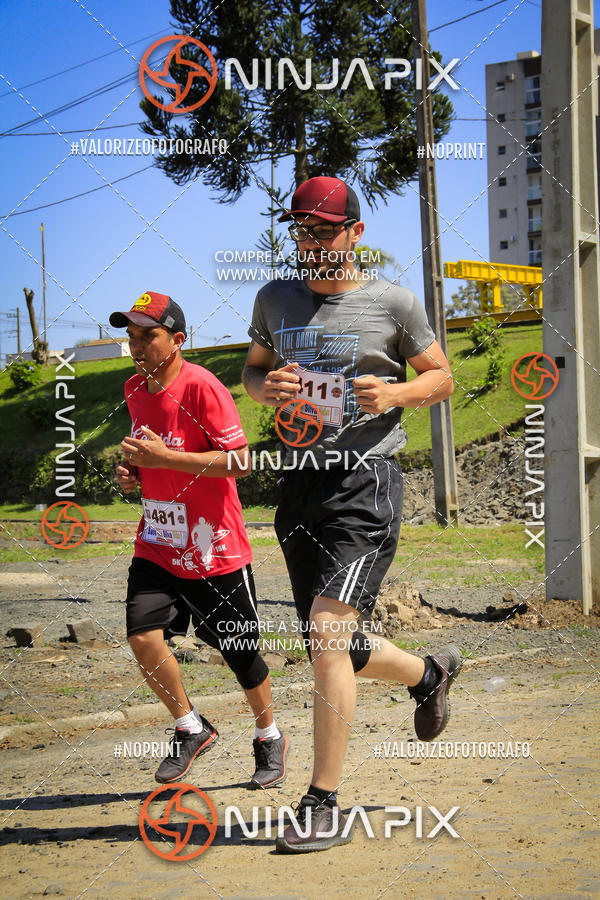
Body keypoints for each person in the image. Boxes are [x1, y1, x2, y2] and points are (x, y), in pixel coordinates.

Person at [242, 176, 462, 852]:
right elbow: (252, 371)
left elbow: (442, 377)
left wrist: (395, 393)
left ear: (355, 234)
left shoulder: (392, 302)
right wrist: (266, 387)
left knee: (328, 636)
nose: (309, 243)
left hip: (366, 485)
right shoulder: (275, 298)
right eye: (300, 231)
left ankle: (323, 802)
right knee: (329, 643)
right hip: (299, 485)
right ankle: (431, 675)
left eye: (322, 231)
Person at [111, 291, 287, 788]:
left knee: (240, 651)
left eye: (149, 335)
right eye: (132, 336)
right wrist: (134, 475)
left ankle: (269, 734)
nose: (138, 345)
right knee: (143, 636)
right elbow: (151, 455)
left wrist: (162, 459)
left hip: (214, 545)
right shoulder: (133, 388)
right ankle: (190, 726)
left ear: (178, 340)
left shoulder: (202, 387)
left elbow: (240, 462)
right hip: (159, 540)